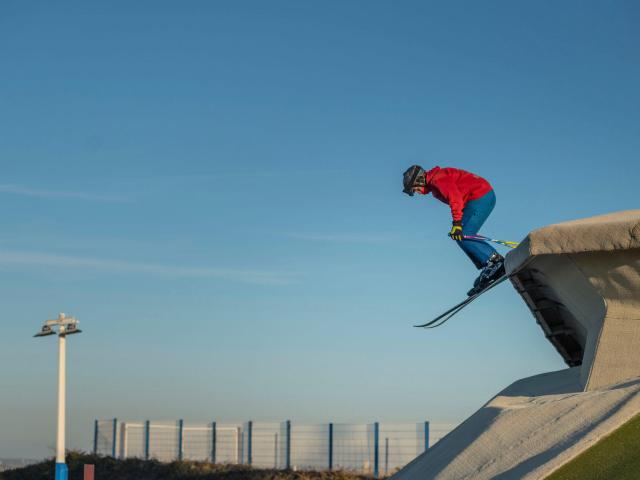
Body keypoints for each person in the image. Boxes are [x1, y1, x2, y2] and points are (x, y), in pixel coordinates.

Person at [402, 165, 505, 295]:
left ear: (419, 180)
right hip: (481, 196)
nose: (416, 192)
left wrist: (457, 223)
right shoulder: (436, 182)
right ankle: (489, 265)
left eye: (414, 188)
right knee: (461, 235)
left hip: (480, 197)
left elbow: (455, 199)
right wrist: (457, 224)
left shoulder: (438, 179)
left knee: (463, 234)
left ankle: (495, 262)